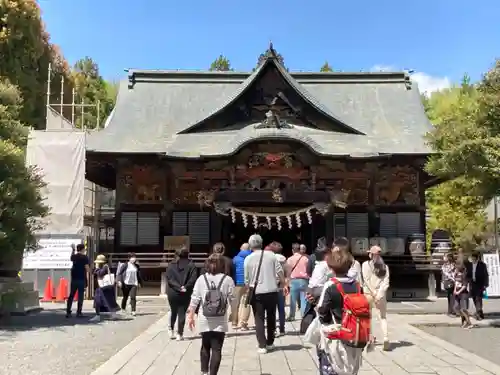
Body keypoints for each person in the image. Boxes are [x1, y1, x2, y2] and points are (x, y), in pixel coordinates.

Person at [316, 249, 364, 375]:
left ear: (331, 267)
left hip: (336, 332)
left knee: (332, 365)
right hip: (355, 332)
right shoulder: (358, 286)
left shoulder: (330, 285)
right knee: (351, 367)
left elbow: (322, 310)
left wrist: (324, 322)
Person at [187, 253, 235, 375]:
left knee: (205, 346)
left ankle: (204, 372)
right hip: (220, 318)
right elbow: (233, 299)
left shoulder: (201, 279)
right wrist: (234, 313)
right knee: (217, 348)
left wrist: (191, 315)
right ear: (223, 265)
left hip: (204, 317)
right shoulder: (227, 280)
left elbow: (195, 299)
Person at [244, 234, 286, 354]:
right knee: (271, 317)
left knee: (259, 318)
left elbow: (247, 279)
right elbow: (279, 271)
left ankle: (262, 345)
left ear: (250, 245)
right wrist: (284, 284)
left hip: (256, 292)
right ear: (261, 244)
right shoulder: (271, 255)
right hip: (272, 290)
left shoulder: (248, 258)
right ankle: (270, 342)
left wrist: (248, 290)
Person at [361, 245, 390, 351]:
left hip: (368, 294)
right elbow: (386, 283)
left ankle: (370, 338)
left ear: (371, 254)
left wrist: (373, 292)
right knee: (382, 317)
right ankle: (386, 337)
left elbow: (366, 280)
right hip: (380, 296)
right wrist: (379, 294)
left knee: (368, 317)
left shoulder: (365, 265)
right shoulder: (385, 267)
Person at [166, 246, 198, 340]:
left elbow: (169, 279)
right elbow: (193, 278)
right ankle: (180, 334)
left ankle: (171, 329)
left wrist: (178, 287)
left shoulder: (171, 264)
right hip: (185, 292)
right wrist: (185, 287)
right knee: (182, 312)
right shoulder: (191, 265)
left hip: (173, 292)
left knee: (173, 311)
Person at [90, 254, 120, 323]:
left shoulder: (106, 267)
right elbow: (94, 273)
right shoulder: (103, 267)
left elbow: (100, 274)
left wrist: (96, 268)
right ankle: (98, 315)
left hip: (105, 288)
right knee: (98, 301)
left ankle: (113, 314)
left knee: (108, 301)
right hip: (101, 288)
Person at [231, 242, 252, 330]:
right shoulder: (252, 258)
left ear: (240, 248)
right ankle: (243, 323)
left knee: (235, 303)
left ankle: (234, 323)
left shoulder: (235, 259)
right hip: (249, 283)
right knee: (246, 303)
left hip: (238, 283)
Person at [286, 243, 309, 321]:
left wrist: (287, 282)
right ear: (299, 250)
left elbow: (288, 272)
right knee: (304, 299)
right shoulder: (306, 259)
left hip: (294, 281)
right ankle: (303, 315)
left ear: (293, 250)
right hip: (304, 280)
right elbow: (308, 270)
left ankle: (292, 316)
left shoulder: (290, 259)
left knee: (292, 300)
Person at [66, 243, 90, 318]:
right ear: (82, 249)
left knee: (71, 295)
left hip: (74, 279)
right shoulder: (85, 257)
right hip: (81, 279)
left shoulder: (74, 257)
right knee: (80, 296)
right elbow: (87, 268)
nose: (85, 250)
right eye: (84, 249)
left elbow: (71, 257)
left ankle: (68, 312)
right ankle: (79, 312)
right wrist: (90, 270)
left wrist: (73, 250)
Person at [270, 241, 287, 337]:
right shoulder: (284, 260)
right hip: (281, 286)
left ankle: (273, 328)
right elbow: (287, 274)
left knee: (272, 309)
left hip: (272, 286)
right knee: (281, 308)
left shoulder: (270, 259)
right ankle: (282, 328)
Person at [466, 251, 489, 320]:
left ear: (477, 258)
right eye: (472, 258)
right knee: (474, 298)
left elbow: (486, 275)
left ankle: (478, 314)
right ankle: (480, 312)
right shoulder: (469, 265)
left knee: (478, 299)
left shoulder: (482, 265)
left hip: (480, 284)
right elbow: (468, 274)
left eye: (474, 259)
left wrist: (485, 284)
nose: (472, 260)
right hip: (472, 284)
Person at [454, 262, 472, 328]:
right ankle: (465, 321)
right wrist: (455, 290)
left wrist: (459, 291)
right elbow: (456, 283)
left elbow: (464, 285)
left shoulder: (464, 275)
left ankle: (468, 322)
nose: (455, 269)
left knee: (463, 309)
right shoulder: (456, 275)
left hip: (463, 293)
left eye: (456, 268)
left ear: (459, 268)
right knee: (456, 307)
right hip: (457, 293)